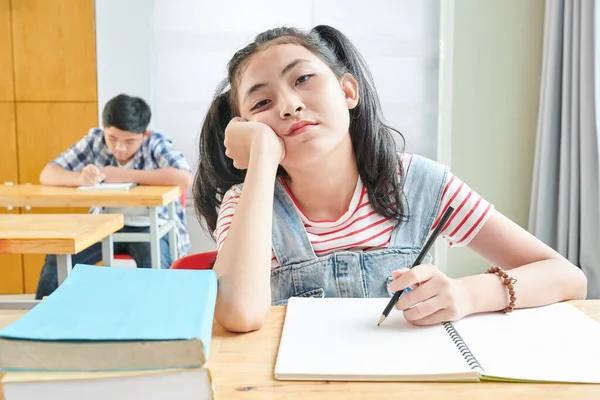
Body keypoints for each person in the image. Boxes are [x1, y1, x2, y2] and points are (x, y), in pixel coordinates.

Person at [194, 26, 587, 333]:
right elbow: (240, 313)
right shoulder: (245, 204)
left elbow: (567, 277)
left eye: (302, 80)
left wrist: (467, 294)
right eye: (262, 103)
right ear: (242, 131)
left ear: (348, 91)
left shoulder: (419, 183)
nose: (289, 105)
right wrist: (262, 156)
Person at [36, 94, 192, 299]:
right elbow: (47, 174)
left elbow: (184, 177)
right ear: (103, 127)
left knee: (158, 271)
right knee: (58, 258)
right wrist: (80, 178)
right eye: (112, 138)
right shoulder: (94, 140)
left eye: (129, 141)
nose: (119, 147)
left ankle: (159, 322)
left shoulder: (156, 143)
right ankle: (40, 318)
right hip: (103, 223)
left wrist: (125, 175)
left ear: (145, 134)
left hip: (149, 224)